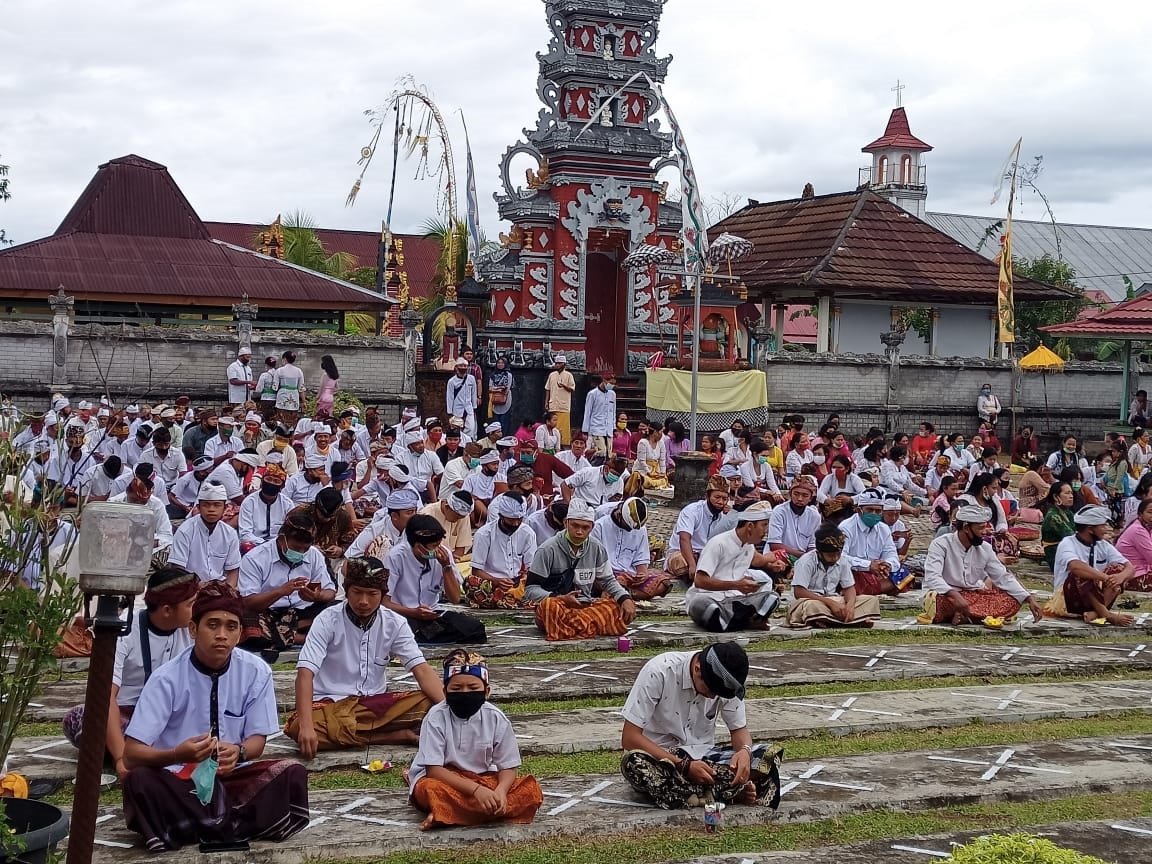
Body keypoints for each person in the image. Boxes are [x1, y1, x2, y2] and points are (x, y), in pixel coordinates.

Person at [120, 582, 309, 852]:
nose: (221, 635)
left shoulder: (256, 672)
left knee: (291, 772)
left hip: (232, 779)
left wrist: (239, 752)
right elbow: (131, 754)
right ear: (193, 629)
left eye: (231, 627)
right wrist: (177, 754)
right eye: (212, 625)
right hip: (179, 781)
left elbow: (257, 742)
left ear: (240, 634)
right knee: (139, 781)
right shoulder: (166, 678)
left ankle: (195, 825)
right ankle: (227, 824)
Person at [285, 557, 444, 757]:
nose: (363, 601)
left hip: (374, 706)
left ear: (383, 595)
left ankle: (355, 732)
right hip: (330, 705)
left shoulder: (395, 623)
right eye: (357, 592)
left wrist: (449, 710)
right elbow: (305, 673)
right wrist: (307, 726)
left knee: (429, 703)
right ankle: (388, 736)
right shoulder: (327, 620)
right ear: (346, 591)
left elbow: (421, 669)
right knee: (298, 727)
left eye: (372, 594)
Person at [61, 567, 199, 778]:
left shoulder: (192, 629)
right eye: (191, 604)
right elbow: (107, 696)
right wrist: (121, 758)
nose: (197, 609)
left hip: (171, 715)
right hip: (128, 716)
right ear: (167, 610)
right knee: (78, 718)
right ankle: (148, 754)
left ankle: (155, 753)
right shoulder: (125, 627)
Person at [619, 643, 782, 810]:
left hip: (704, 761)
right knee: (634, 762)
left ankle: (700, 794)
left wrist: (744, 752)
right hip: (663, 760)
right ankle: (722, 793)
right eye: (711, 690)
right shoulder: (659, 671)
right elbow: (630, 738)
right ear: (697, 669)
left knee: (766, 757)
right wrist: (683, 765)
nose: (713, 696)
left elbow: (739, 730)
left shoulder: (727, 681)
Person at [408, 650, 543, 830]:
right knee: (429, 789)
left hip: (484, 778)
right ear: (445, 692)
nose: (465, 693)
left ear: (486, 691)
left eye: (473, 688)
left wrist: (500, 792)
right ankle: (470, 812)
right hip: (446, 780)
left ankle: (447, 814)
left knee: (531, 791)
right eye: (456, 689)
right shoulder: (435, 717)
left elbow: (508, 766)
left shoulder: (496, 718)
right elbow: (434, 770)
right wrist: (476, 791)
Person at [525, 500, 637, 640]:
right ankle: (588, 626)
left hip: (585, 606)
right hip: (557, 607)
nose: (579, 532)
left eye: (585, 528)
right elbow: (530, 589)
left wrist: (625, 598)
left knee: (616, 607)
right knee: (550, 607)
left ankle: (575, 628)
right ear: (566, 523)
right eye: (575, 526)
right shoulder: (547, 549)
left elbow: (608, 580)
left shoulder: (596, 548)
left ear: (592, 527)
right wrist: (560, 598)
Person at [921, 503, 1045, 626]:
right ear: (966, 528)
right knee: (937, 603)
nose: (985, 532)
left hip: (973, 596)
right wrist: (954, 595)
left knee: (1013, 601)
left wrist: (1029, 599)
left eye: (985, 527)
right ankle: (973, 616)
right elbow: (933, 577)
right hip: (945, 596)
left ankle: (967, 617)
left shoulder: (985, 548)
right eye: (980, 528)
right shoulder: (940, 544)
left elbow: (1002, 576)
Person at [238, 510, 337, 653]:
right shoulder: (255, 558)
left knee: (339, 610)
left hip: (304, 612)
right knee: (245, 620)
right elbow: (249, 601)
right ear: (282, 538)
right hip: (268, 613)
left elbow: (330, 592)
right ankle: (304, 637)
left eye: (305, 549)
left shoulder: (314, 555)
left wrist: (317, 596)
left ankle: (287, 635)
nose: (301, 553)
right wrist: (280, 591)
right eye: (296, 548)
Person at [382, 515, 486, 644]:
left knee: (475, 629)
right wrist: (414, 612)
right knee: (406, 631)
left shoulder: (444, 555)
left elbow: (454, 598)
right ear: (418, 547)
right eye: (434, 546)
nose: (437, 550)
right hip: (404, 614)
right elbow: (384, 602)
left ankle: (429, 636)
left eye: (439, 544)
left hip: (432, 613)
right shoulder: (396, 557)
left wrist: (446, 567)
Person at [687, 507, 782, 632]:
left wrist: (770, 567)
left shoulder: (748, 546)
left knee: (772, 597)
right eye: (764, 525)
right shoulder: (718, 543)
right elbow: (700, 581)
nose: (766, 531)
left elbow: (756, 562)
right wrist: (736, 585)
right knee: (702, 605)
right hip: (711, 598)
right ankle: (744, 621)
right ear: (749, 526)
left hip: (736, 601)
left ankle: (730, 622)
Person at [1049, 505, 1134, 626]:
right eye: (1103, 526)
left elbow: (1130, 567)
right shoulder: (1067, 543)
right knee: (1082, 573)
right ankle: (1106, 614)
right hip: (1067, 601)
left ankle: (1095, 613)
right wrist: (1104, 577)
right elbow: (1075, 566)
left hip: (1094, 598)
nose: (1106, 529)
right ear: (1090, 529)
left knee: (1118, 570)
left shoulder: (1103, 544)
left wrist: (1121, 576)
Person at [787, 524, 881, 628]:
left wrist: (850, 606)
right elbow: (799, 592)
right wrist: (830, 603)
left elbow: (849, 588)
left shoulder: (843, 561)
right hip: (810, 601)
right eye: (831, 555)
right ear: (819, 553)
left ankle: (831, 620)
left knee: (871, 600)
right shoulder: (805, 562)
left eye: (838, 554)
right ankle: (851, 620)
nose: (835, 558)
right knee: (811, 606)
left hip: (834, 600)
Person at [464, 493, 539, 609]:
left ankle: (510, 600)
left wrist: (523, 580)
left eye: (519, 520)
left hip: (517, 584)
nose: (515, 524)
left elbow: (532, 568)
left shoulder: (528, 533)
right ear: (501, 516)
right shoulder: (484, 534)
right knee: (471, 582)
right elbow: (476, 571)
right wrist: (497, 581)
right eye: (511, 520)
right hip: (490, 583)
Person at [592, 497, 673, 601]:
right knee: (616, 581)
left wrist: (642, 574)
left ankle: (626, 594)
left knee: (664, 583)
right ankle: (622, 593)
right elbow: (595, 562)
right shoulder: (599, 526)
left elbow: (641, 559)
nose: (631, 531)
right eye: (628, 527)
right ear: (619, 515)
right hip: (608, 575)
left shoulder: (640, 529)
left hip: (630, 576)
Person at [168, 481, 241, 586]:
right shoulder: (185, 531)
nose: (211, 510)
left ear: (225, 508)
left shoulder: (230, 534)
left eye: (217, 505)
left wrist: (228, 590)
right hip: (190, 588)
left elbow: (233, 571)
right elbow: (177, 569)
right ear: (198, 507)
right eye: (206, 505)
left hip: (219, 590)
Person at [840, 489, 909, 595]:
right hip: (856, 572)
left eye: (878, 511)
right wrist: (868, 565)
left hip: (878, 573)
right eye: (870, 510)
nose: (874, 514)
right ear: (859, 510)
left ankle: (868, 590)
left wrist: (886, 565)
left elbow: (892, 555)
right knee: (851, 576)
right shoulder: (846, 528)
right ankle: (878, 589)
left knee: (903, 572)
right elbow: (840, 558)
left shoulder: (884, 529)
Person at [346, 488, 421, 561]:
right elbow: (350, 558)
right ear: (394, 516)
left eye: (415, 511)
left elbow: (426, 552)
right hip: (376, 571)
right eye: (409, 512)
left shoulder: (416, 528)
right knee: (384, 543)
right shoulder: (374, 530)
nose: (414, 516)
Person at [765, 477, 821, 562]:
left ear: (810, 498)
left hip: (805, 558)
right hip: (780, 557)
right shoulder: (779, 511)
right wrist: (802, 556)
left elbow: (812, 545)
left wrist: (808, 560)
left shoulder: (814, 515)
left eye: (805, 495)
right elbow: (775, 545)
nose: (800, 498)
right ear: (790, 494)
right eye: (796, 494)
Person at [582, 373, 617, 459]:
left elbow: (613, 412)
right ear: (604, 381)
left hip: (608, 428)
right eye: (610, 383)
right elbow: (587, 412)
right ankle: (594, 467)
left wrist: (614, 427)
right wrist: (585, 430)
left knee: (609, 454)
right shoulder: (592, 394)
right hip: (596, 428)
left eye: (613, 384)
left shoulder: (612, 394)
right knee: (601, 452)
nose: (611, 385)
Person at [543, 356, 576, 444]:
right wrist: (546, 402)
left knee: (564, 430)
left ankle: (563, 445)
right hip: (553, 405)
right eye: (556, 363)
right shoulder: (552, 375)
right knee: (553, 427)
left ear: (564, 364)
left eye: (559, 363)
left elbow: (572, 389)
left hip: (563, 407)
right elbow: (548, 389)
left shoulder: (569, 375)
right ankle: (551, 443)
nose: (557, 365)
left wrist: (564, 386)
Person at [446, 358, 480, 440]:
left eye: (465, 366)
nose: (463, 367)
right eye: (461, 366)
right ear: (457, 367)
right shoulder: (452, 381)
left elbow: (473, 393)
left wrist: (474, 407)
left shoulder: (471, 378)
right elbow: (449, 397)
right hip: (457, 409)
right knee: (457, 429)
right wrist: (450, 411)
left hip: (469, 407)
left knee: (471, 428)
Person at [634, 424, 670, 489]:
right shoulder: (643, 442)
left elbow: (662, 460)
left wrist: (663, 473)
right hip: (642, 470)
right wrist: (648, 472)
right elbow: (641, 461)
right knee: (647, 481)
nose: (662, 434)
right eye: (661, 432)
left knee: (663, 481)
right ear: (655, 432)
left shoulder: (661, 443)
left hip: (655, 470)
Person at [486, 356, 514, 435]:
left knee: (504, 421)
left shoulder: (508, 375)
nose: (500, 364)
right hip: (494, 399)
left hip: (506, 399)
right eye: (498, 363)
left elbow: (507, 387)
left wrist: (498, 389)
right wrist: (498, 389)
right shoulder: (492, 375)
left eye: (502, 363)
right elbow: (490, 387)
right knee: (495, 422)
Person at [273, 350, 306, 418]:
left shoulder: (279, 370)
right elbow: (301, 389)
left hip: (282, 396)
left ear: (285, 359)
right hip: (294, 396)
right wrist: (304, 401)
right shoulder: (299, 371)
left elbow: (275, 387)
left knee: (281, 418)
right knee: (292, 419)